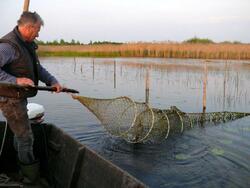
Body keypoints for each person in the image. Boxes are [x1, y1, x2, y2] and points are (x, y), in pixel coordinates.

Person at [0, 11, 62, 183]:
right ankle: (29, 177)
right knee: (26, 137)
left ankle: (19, 169)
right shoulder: (9, 46)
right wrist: (16, 80)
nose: (38, 34)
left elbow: (38, 69)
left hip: (19, 98)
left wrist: (52, 81)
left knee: (20, 135)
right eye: (37, 30)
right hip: (9, 99)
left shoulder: (27, 44)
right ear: (29, 27)